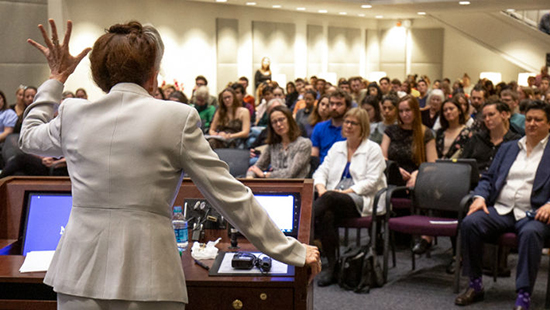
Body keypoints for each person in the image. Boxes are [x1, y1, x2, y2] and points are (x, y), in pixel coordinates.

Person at [22, 20, 320, 309]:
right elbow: (229, 195)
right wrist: (288, 249)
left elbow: (29, 136)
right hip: (148, 276)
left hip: (77, 272)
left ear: (98, 75)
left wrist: (56, 78)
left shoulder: (74, 113)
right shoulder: (176, 118)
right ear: (152, 75)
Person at [456, 100, 550, 310]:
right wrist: (479, 198)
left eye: (538, 120)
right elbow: (488, 178)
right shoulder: (509, 147)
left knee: (531, 233)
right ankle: (475, 284)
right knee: (471, 222)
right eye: (529, 119)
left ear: (549, 124)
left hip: (534, 213)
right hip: (502, 209)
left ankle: (523, 295)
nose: (532, 124)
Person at [313, 107, 387, 287]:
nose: (348, 125)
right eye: (346, 121)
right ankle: (332, 266)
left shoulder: (373, 149)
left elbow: (371, 182)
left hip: (360, 198)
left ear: (363, 127)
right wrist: (322, 189)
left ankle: (303, 231)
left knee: (327, 202)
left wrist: (341, 193)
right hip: (332, 198)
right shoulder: (337, 147)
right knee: (327, 215)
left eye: (353, 123)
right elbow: (321, 171)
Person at [381, 95, 437, 254]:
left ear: (415, 111)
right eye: (401, 111)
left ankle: (425, 237)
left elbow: (433, 162)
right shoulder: (390, 131)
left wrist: (417, 174)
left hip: (418, 176)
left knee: (423, 185)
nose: (404, 114)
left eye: (408, 110)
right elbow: (382, 157)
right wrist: (395, 169)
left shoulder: (426, 133)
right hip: (394, 174)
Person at [246, 106, 311, 179]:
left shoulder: (304, 144)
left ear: (289, 120)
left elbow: (291, 173)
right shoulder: (272, 145)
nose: (278, 124)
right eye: (274, 122)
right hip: (274, 187)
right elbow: (256, 167)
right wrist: (250, 176)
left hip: (296, 187)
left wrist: (265, 175)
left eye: (281, 120)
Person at [461, 101, 521, 173]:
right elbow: (462, 163)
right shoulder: (477, 138)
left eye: (491, 115)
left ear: (504, 115)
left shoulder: (515, 141)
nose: (487, 119)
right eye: (484, 117)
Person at [311, 88, 351, 164]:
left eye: (339, 104)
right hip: (322, 169)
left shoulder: (351, 129)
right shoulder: (319, 127)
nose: (334, 107)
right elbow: (314, 156)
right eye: (332, 104)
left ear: (347, 107)